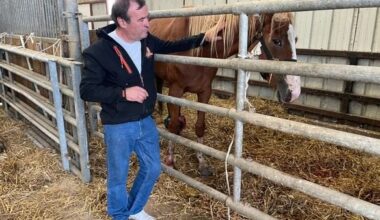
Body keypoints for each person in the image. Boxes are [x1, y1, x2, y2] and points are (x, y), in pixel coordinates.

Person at [80, 0, 223, 219]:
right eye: (141, 19)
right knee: (118, 176)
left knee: (153, 168)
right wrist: (124, 93)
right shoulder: (98, 52)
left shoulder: (145, 40)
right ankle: (119, 215)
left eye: (148, 17)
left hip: (145, 120)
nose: (148, 23)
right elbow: (87, 90)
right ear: (121, 22)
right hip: (118, 124)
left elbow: (172, 46)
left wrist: (204, 37)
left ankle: (135, 209)